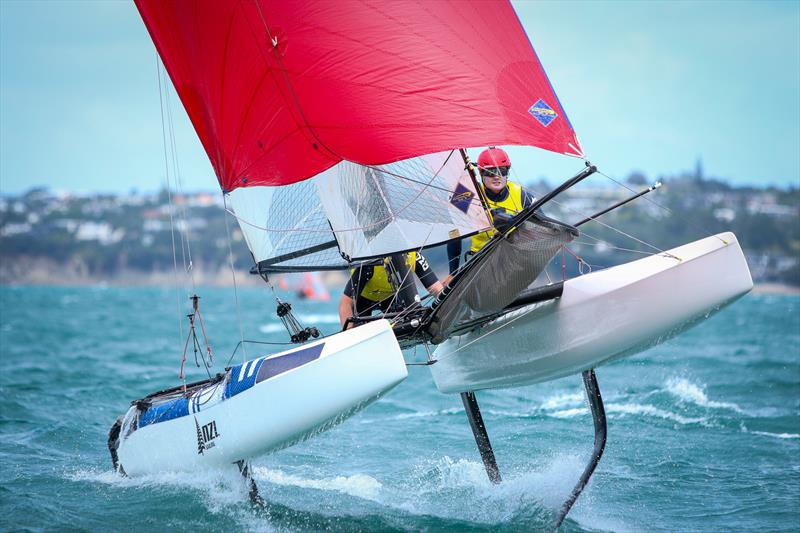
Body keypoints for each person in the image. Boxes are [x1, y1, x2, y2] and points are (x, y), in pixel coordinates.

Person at [446, 147, 535, 277]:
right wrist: (452, 274)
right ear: (481, 173)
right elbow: (454, 234)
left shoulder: (522, 195)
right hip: (479, 261)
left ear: (507, 172)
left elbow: (542, 226)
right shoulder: (468, 194)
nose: (497, 176)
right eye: (490, 172)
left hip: (513, 261)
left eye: (502, 171)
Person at [338, 251, 444, 328]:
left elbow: (437, 289)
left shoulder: (414, 256)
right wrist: (349, 332)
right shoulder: (371, 264)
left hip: (390, 299)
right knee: (359, 328)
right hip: (363, 301)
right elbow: (345, 303)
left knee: (413, 317)